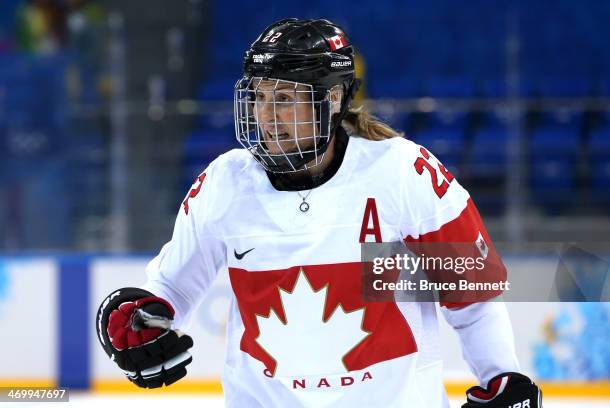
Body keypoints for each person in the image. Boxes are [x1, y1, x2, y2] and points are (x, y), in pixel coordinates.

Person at [96, 18, 542, 407]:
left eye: (284, 99)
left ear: (331, 100)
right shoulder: (225, 184)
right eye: (259, 97)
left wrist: (501, 374)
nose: (266, 116)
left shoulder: (402, 173)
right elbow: (172, 286)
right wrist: (144, 321)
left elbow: (471, 294)